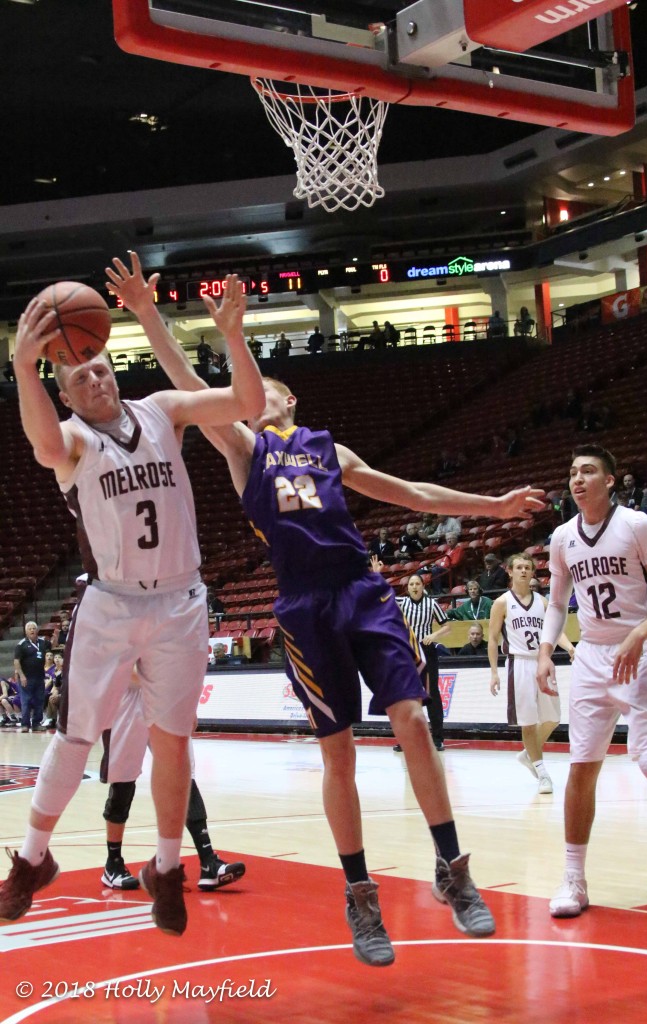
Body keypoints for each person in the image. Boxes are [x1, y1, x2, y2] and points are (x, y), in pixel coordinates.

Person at [109, 252, 548, 967]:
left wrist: (490, 506)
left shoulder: (326, 449)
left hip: (361, 590)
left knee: (411, 722)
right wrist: (153, 317)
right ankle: (359, 893)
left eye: (267, 390)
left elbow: (413, 493)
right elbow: (190, 386)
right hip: (303, 606)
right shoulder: (245, 449)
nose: (254, 397)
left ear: (288, 401)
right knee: (337, 751)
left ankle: (452, 868)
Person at [0, 258, 264, 937]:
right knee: (75, 735)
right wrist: (25, 369)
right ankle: (32, 859)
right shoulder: (74, 443)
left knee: (173, 742)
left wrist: (229, 334)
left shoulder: (162, 411)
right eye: (78, 373)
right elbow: (38, 441)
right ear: (66, 391)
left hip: (179, 601)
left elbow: (246, 405)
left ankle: (168, 869)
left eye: (98, 364)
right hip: (110, 605)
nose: (94, 376)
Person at [537, 444, 647, 919]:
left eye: (588, 471)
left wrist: (640, 634)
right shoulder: (561, 537)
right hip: (591, 658)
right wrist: (544, 651)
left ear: (611, 480)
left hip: (637, 654)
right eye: (573, 472)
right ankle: (574, 879)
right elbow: (557, 604)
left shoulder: (637, 525)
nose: (577, 479)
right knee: (582, 766)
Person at [100, 676, 245, 893]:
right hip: (126, 696)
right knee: (123, 782)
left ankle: (209, 863)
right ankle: (113, 863)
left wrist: (187, 703)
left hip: (163, 697)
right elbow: (123, 666)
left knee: (182, 776)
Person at [488, 553, 575, 795]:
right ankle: (542, 772)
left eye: (527, 567)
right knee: (527, 723)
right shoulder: (502, 603)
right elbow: (493, 639)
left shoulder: (543, 602)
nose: (523, 571)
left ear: (533, 572)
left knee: (553, 718)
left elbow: (555, 630)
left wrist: (569, 647)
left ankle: (529, 752)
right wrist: (494, 672)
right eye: (519, 567)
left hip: (542, 662)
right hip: (519, 664)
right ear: (510, 571)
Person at [395, 574, 452, 753]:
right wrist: (375, 574)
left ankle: (437, 738)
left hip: (427, 651)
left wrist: (433, 636)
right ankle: (406, 739)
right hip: (407, 651)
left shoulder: (431, 604)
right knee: (406, 695)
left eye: (417, 583)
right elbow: (381, 594)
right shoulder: (402, 603)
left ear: (422, 585)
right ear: (408, 587)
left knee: (432, 693)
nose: (414, 587)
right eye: (411, 584)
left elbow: (447, 626)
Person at [13, 621, 51, 734]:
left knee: (39, 700)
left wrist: (57, 637)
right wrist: (22, 676)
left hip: (39, 678)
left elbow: (51, 646)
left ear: (37, 630)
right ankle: (25, 724)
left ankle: (36, 724)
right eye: (29, 628)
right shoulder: (21, 644)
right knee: (26, 701)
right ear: (26, 631)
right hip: (26, 679)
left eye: (34, 628)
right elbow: (16, 662)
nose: (32, 630)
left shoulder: (42, 642)